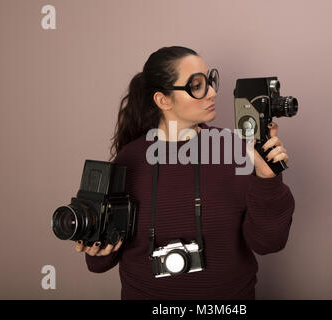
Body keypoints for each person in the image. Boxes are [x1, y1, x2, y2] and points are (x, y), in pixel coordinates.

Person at [74, 46, 295, 299]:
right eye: (197, 85)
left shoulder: (238, 149)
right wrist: (97, 247)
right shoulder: (129, 159)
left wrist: (268, 180)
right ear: (162, 100)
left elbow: (269, 243)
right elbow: (99, 263)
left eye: (210, 81)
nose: (212, 92)